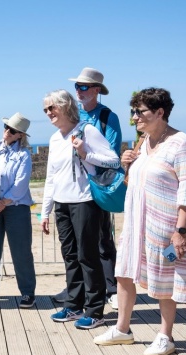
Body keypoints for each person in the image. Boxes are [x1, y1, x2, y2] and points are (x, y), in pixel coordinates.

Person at [94, 88, 186, 355]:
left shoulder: (179, 142)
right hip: (135, 222)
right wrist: (128, 164)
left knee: (165, 279)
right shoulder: (142, 142)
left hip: (164, 224)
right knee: (124, 272)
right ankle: (123, 329)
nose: (134, 118)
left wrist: (180, 230)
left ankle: (166, 335)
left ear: (160, 112)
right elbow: (135, 182)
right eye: (133, 112)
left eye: (139, 112)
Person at [40, 90, 119, 330]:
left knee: (88, 255)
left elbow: (113, 160)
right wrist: (46, 211)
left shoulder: (87, 130)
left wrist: (86, 152)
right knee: (70, 256)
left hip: (85, 201)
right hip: (62, 204)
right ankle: (74, 305)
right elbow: (51, 177)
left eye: (51, 108)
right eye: (45, 110)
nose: (48, 113)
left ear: (65, 106)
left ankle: (95, 311)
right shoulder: (55, 139)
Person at [53, 68, 123, 310]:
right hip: (76, 189)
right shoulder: (75, 115)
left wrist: (86, 153)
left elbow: (112, 154)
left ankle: (111, 287)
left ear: (96, 91)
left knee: (102, 239)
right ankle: (80, 289)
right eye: (77, 86)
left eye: (84, 87)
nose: (79, 91)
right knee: (80, 246)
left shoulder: (106, 117)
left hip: (98, 186)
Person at [0, 113, 37, 308]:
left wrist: (1, 205)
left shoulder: (24, 155)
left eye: (12, 130)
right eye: (6, 127)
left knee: (21, 251)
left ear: (20, 135)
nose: (6, 132)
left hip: (16, 206)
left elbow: (20, 184)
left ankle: (27, 292)